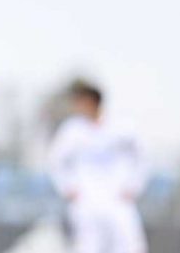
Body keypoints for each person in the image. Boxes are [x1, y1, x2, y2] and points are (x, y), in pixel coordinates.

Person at [48, 82, 148, 253]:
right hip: (86, 199)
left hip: (118, 197)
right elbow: (55, 161)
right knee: (88, 245)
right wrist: (67, 187)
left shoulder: (122, 127)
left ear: (93, 102)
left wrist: (134, 185)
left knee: (129, 244)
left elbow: (141, 157)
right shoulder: (72, 130)